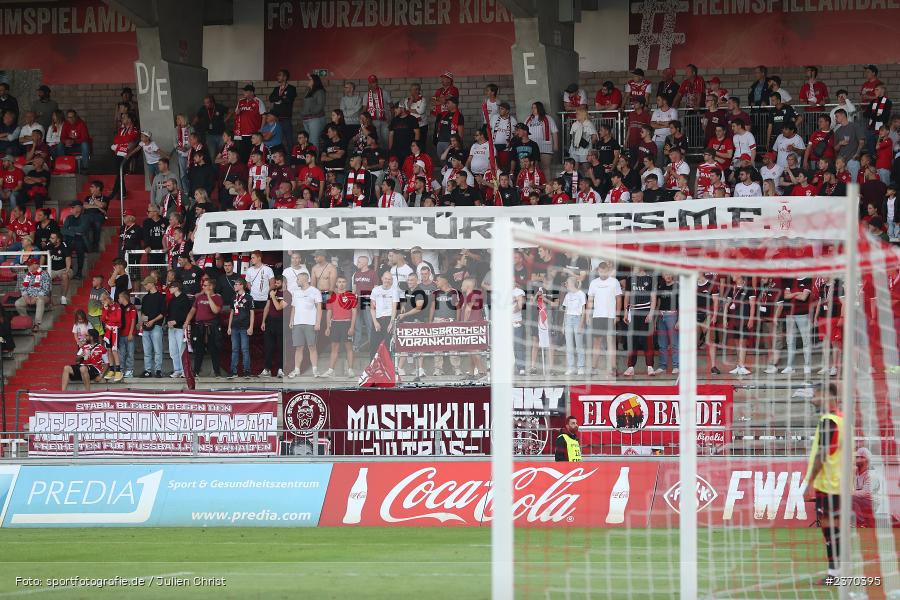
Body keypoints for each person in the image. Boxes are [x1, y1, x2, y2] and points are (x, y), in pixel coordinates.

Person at [803, 383, 845, 585]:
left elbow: (822, 455)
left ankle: (835, 575)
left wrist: (808, 482)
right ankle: (837, 573)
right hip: (840, 483)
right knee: (835, 531)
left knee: (831, 531)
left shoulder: (829, 421)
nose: (812, 400)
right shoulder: (843, 419)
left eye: (815, 396)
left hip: (829, 485)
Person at [184, 277, 223, 377]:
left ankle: (217, 372)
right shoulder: (199, 298)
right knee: (198, 350)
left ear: (211, 286)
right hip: (199, 326)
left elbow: (216, 311)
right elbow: (192, 311)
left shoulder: (218, 297)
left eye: (205, 285)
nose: (203, 287)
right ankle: (196, 371)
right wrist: (187, 321)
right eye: (203, 285)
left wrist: (209, 297)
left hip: (212, 326)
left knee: (214, 349)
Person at [287, 271, 322, 378]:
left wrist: (318, 323)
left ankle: (315, 370)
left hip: (310, 323)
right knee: (298, 347)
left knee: (312, 347)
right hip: (297, 324)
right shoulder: (296, 293)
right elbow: (293, 307)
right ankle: (296, 370)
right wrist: (291, 321)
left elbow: (319, 308)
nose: (296, 281)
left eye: (298, 279)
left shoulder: (315, 291)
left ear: (304, 279)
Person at [324, 275, 357, 378]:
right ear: (336, 284)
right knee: (334, 348)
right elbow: (329, 312)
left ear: (346, 283)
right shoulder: (331, 296)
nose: (341, 284)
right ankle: (331, 370)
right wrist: (328, 327)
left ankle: (350, 370)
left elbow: (354, 312)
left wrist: (352, 327)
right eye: (339, 282)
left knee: (349, 348)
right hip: (335, 324)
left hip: (347, 323)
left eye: (343, 282)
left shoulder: (351, 295)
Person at [226, 278, 254, 379]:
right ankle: (234, 371)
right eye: (235, 285)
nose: (235, 286)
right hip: (234, 327)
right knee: (234, 349)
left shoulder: (249, 297)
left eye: (237, 284)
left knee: (245, 349)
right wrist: (229, 326)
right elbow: (232, 312)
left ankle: (247, 371)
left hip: (244, 327)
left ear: (242, 285)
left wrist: (251, 326)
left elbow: (252, 312)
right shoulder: (233, 297)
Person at [260, 276, 286, 378]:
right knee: (268, 347)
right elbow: (267, 307)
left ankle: (281, 369)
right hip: (270, 321)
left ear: (284, 283)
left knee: (280, 347)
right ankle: (267, 369)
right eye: (274, 283)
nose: (275, 284)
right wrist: (263, 321)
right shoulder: (272, 292)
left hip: (281, 322)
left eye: (278, 283)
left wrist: (273, 296)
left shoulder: (288, 294)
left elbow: (279, 307)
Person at [370, 271, 400, 359]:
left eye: (389, 279)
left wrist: (391, 323)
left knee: (388, 345)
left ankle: (387, 368)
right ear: (382, 278)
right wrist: (375, 322)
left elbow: (394, 308)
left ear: (392, 280)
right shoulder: (375, 290)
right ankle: (373, 367)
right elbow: (372, 308)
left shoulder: (394, 291)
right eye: (386, 278)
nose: (387, 280)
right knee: (374, 344)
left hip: (388, 319)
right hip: (378, 319)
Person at [165, 279, 190, 378]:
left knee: (181, 350)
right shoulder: (172, 300)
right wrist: (168, 322)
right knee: (173, 350)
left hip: (180, 328)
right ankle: (177, 370)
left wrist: (176, 321)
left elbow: (186, 313)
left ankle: (184, 370)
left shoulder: (184, 298)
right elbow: (168, 313)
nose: (169, 289)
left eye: (171, 287)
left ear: (176, 288)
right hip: (172, 328)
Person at [525, 101, 558, 177]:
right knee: (533, 168)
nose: (533, 109)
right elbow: (523, 131)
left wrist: (556, 145)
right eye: (532, 108)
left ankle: (547, 187)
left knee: (545, 168)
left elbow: (554, 132)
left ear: (540, 108)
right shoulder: (528, 119)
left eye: (535, 107)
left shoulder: (548, 118)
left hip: (545, 147)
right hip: (531, 147)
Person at [15, 259, 49, 332]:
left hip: (41, 296)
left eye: (30, 265)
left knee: (40, 301)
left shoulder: (44, 274)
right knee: (18, 303)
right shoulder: (27, 274)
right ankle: (27, 320)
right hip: (29, 296)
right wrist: (26, 297)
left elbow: (46, 289)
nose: (28, 266)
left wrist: (35, 297)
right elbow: (23, 288)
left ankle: (37, 324)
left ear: (36, 265)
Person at [99, 291, 122, 381]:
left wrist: (109, 319)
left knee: (114, 350)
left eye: (103, 301)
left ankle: (118, 371)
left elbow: (118, 319)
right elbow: (102, 319)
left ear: (107, 299)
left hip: (115, 330)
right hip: (108, 331)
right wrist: (105, 309)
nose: (102, 303)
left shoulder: (116, 306)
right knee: (108, 350)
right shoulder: (105, 308)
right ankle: (112, 369)